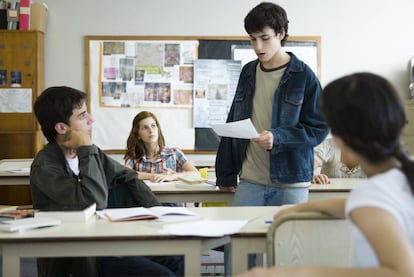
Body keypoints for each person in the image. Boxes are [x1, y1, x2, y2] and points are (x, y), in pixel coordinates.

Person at [238, 72, 414, 277]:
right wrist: (303, 207)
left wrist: (291, 273)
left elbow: (401, 272)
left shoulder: (372, 196)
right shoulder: (398, 180)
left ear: (339, 139)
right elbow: (358, 205)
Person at [31, 86, 183, 277]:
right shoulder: (45, 166)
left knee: (178, 257)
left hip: (106, 240)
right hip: (80, 255)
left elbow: (128, 177)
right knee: (163, 275)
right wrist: (86, 149)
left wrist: (157, 212)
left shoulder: (92, 153)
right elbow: (93, 201)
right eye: (82, 116)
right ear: (61, 128)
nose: (91, 120)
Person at [215, 1, 328, 206]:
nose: (257, 46)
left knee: (287, 238)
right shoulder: (248, 72)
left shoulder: (303, 76)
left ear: (281, 34)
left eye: (264, 38)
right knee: (240, 237)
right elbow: (234, 120)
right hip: (250, 180)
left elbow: (319, 128)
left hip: (291, 182)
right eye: (252, 39)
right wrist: (225, 174)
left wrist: (279, 138)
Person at [124, 111, 199, 183]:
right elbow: (125, 174)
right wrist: (153, 176)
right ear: (138, 135)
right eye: (145, 127)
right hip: (144, 195)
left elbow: (196, 173)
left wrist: (173, 176)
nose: (151, 130)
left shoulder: (174, 153)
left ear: (158, 129)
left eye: (153, 126)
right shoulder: (133, 156)